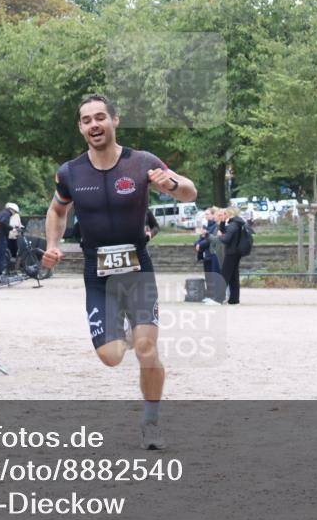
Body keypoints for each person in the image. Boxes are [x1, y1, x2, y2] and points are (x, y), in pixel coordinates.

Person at [41, 94, 197, 450]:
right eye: (86, 120)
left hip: (137, 267)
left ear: (115, 120)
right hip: (98, 274)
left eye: (100, 117)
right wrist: (53, 243)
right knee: (111, 357)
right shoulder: (70, 172)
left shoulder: (142, 162)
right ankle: (125, 331)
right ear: (81, 128)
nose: (94, 125)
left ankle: (152, 421)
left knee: (146, 348)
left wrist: (169, 185)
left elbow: (190, 191)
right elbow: (57, 211)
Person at [216, 207, 246, 305]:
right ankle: (234, 299)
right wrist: (222, 222)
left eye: (225, 213)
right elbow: (225, 231)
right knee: (233, 277)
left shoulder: (233, 224)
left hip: (231, 253)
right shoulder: (237, 223)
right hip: (236, 252)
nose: (224, 215)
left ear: (229, 213)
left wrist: (220, 236)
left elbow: (226, 239)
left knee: (225, 275)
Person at [195, 207, 222, 304]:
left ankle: (214, 295)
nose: (206, 216)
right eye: (205, 214)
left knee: (213, 274)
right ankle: (210, 295)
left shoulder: (215, 226)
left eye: (207, 214)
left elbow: (209, 239)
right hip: (206, 254)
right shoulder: (207, 226)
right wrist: (197, 243)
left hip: (212, 253)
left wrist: (200, 244)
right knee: (208, 275)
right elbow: (201, 237)